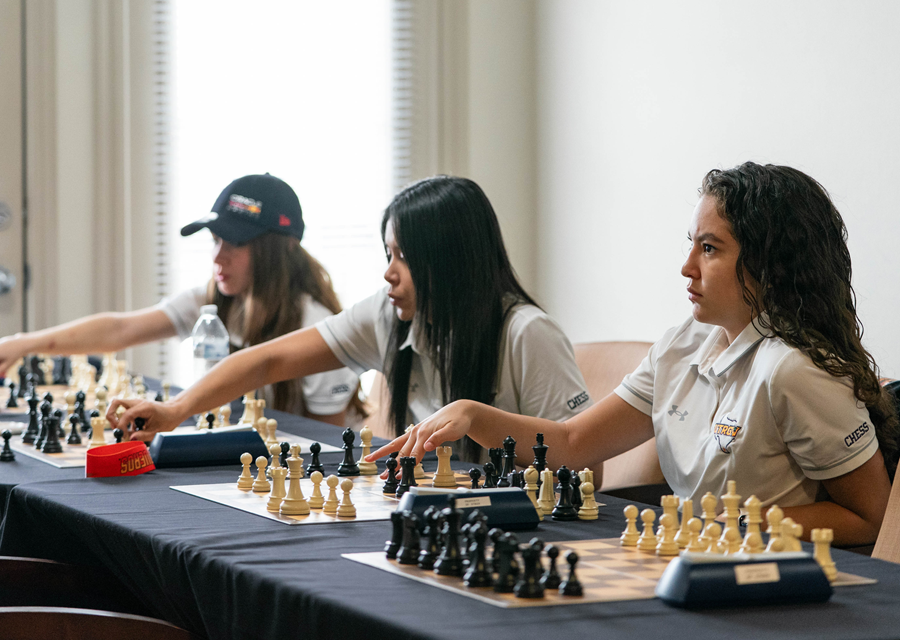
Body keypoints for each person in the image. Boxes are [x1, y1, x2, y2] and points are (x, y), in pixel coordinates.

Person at [371, 162, 899, 547]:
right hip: (697, 556)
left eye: (710, 248)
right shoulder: (678, 347)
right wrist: (473, 415)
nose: (687, 266)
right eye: (691, 243)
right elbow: (575, 443)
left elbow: (869, 518)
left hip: (776, 582)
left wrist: (735, 522)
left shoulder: (793, 369)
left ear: (769, 264)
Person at [108, 176, 593, 462]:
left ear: (448, 262)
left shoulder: (527, 333)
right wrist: (175, 411)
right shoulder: (388, 314)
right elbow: (266, 361)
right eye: (388, 253)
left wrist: (484, 422)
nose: (389, 273)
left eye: (403, 257)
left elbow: (586, 465)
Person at [0, 174, 362, 426]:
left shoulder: (316, 323)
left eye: (234, 243)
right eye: (215, 240)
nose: (218, 256)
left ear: (275, 250)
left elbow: (323, 445)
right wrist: (23, 342)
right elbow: (121, 329)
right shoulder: (213, 300)